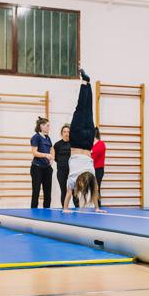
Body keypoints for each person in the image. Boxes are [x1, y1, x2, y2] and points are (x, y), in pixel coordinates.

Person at [63, 69, 105, 213]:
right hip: (77, 141)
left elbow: (95, 193)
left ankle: (88, 83)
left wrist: (98, 208)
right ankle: (84, 83)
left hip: (87, 142)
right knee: (81, 108)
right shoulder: (73, 180)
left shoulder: (91, 175)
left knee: (89, 110)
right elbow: (69, 194)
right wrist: (65, 208)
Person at [30, 117, 54, 208]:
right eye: (47, 126)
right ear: (42, 126)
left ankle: (47, 212)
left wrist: (52, 158)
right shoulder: (36, 137)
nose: (49, 128)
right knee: (36, 191)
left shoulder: (47, 138)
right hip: (37, 168)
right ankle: (33, 212)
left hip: (47, 168)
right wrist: (46, 155)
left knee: (47, 192)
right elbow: (34, 152)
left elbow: (52, 149)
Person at [54, 124, 72, 207]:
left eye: (68, 132)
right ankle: (64, 208)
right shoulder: (57, 145)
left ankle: (77, 209)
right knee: (63, 191)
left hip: (72, 171)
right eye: (64, 132)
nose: (66, 133)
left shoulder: (73, 144)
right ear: (62, 133)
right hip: (61, 171)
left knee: (74, 191)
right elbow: (55, 158)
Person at [91, 128, 106, 206]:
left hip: (98, 169)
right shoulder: (90, 143)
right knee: (92, 188)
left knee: (97, 188)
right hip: (90, 169)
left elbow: (94, 157)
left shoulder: (101, 144)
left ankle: (98, 205)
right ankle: (95, 205)